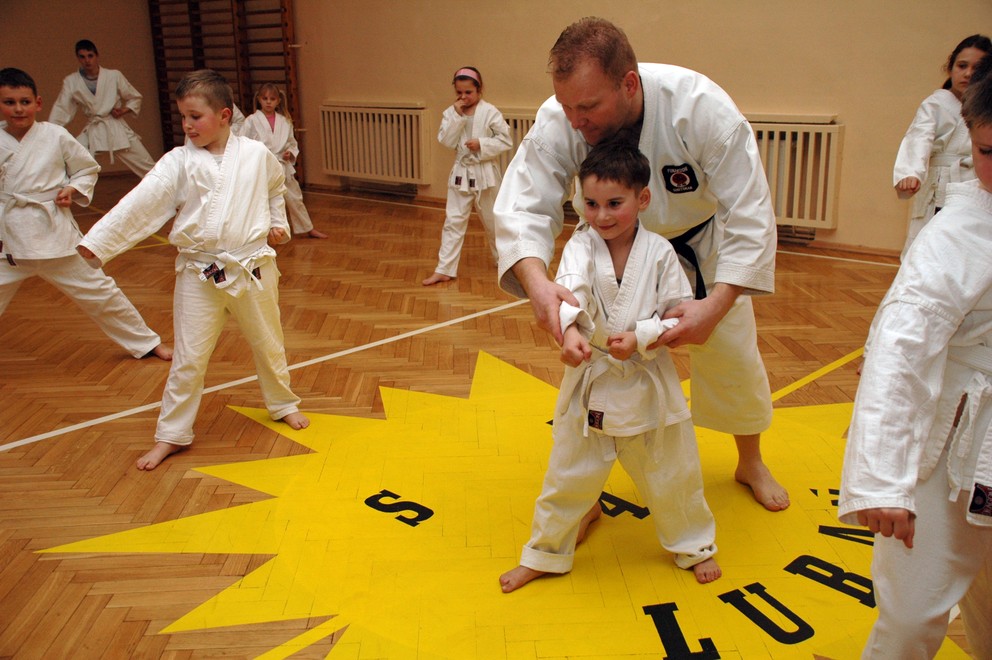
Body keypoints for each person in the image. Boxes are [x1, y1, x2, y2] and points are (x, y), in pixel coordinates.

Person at [494, 17, 788, 512]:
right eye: (567, 107)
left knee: (733, 354)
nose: (575, 121)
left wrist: (717, 305)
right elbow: (523, 204)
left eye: (588, 107)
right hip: (609, 245)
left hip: (699, 244)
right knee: (593, 365)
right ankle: (582, 493)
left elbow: (749, 211)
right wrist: (537, 283)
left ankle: (750, 461)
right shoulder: (561, 118)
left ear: (629, 84)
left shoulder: (699, 108)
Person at [500, 137, 721, 593]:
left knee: (674, 474)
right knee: (566, 476)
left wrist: (643, 336)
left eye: (615, 203)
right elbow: (570, 294)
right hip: (592, 380)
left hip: (647, 383)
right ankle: (545, 553)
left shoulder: (659, 252)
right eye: (591, 203)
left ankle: (695, 546)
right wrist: (571, 332)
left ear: (643, 199)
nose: (601, 215)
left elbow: (677, 313)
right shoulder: (580, 246)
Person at [77, 69, 310, 471]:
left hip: (252, 266)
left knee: (268, 341)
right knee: (188, 358)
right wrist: (98, 241)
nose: (187, 124)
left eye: (195, 116)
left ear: (224, 115)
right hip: (199, 273)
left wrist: (278, 224)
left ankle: (283, 403)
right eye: (183, 116)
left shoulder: (256, 155)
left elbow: (276, 188)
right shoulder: (178, 162)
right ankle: (172, 434)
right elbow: (140, 204)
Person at [838, 53, 992, 660]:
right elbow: (901, 347)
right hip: (955, 435)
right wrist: (882, 479)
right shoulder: (959, 232)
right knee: (911, 611)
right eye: (988, 152)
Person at [0, 67, 170, 361]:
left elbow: (86, 169)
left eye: (25, 102)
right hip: (10, 241)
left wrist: (73, 189)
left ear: (38, 103)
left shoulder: (55, 135)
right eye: (9, 102)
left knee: (101, 292)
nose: (18, 109)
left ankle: (146, 343)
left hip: (56, 237)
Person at [893, 34, 992, 255]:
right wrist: (911, 172)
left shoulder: (985, 108)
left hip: (976, 183)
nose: (968, 73)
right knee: (928, 242)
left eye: (977, 68)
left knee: (968, 243)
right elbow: (919, 136)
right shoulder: (936, 104)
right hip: (940, 184)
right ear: (950, 68)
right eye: (962, 66)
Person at [422, 67, 511, 286]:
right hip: (461, 174)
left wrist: (482, 143)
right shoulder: (451, 113)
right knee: (453, 221)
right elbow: (446, 140)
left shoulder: (490, 112)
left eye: (468, 92)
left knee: (494, 221)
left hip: (486, 174)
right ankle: (445, 268)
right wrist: (457, 116)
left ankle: (505, 261)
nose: (463, 97)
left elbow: (505, 140)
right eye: (459, 93)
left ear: (479, 90)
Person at [48, 39, 156, 179]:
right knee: (72, 161)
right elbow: (62, 108)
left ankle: (168, 189)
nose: (87, 60)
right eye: (82, 57)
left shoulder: (113, 76)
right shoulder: (71, 81)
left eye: (90, 56)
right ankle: (65, 189)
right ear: (78, 58)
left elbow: (134, 97)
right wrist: (49, 132)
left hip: (116, 128)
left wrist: (123, 110)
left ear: (97, 55)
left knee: (148, 166)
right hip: (94, 129)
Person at [242, 83, 327, 238]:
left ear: (278, 101)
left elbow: (291, 143)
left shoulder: (285, 121)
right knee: (261, 200)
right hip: (262, 166)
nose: (268, 102)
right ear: (259, 99)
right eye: (265, 98)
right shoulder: (251, 121)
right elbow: (242, 143)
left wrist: (290, 153)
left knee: (294, 197)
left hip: (282, 165)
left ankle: (307, 227)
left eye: (272, 99)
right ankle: (259, 232)